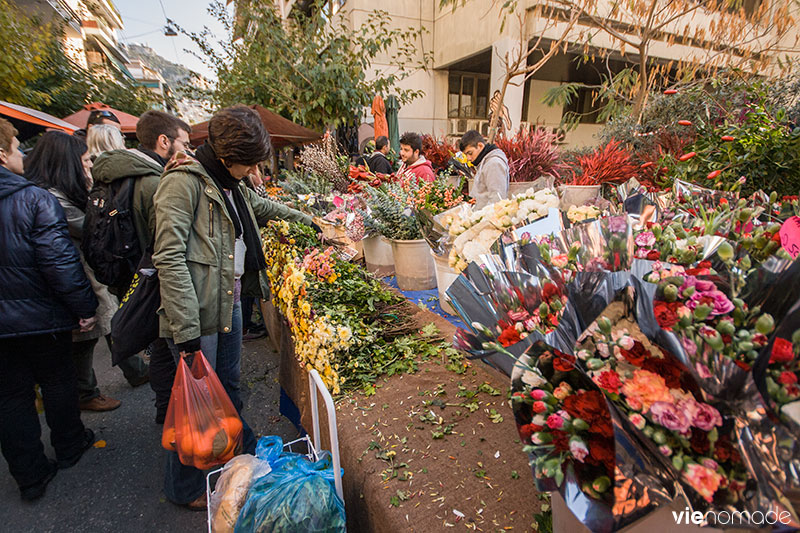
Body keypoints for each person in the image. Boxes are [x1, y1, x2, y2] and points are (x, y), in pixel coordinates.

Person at [152, 105, 318, 509]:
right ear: (228, 157)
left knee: (227, 387)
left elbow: (261, 209)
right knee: (197, 407)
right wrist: (187, 329)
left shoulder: (227, 182)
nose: (252, 170)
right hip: (199, 311)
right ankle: (186, 487)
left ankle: (232, 455)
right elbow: (169, 257)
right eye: (249, 163)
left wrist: (307, 219)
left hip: (229, 301)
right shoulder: (184, 183)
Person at [0, 119, 97, 501]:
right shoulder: (33, 199)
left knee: (10, 397)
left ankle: (31, 476)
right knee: (58, 381)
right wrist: (84, 306)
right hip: (41, 315)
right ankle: (71, 445)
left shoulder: (34, 196)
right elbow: (60, 263)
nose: (21, 154)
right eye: (15, 147)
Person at [25, 131, 151, 411]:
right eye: (82, 161)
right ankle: (86, 392)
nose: (87, 166)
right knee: (88, 333)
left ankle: (132, 371)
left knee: (107, 322)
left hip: (84, 273)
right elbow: (90, 228)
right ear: (64, 162)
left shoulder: (61, 191)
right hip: (74, 275)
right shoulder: (51, 198)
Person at [92, 109, 192, 424]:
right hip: (153, 281)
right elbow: (166, 244)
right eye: (184, 144)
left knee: (159, 349)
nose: (187, 151)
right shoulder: (154, 180)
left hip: (127, 277)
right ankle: (179, 417)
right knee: (170, 351)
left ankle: (166, 411)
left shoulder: (115, 173)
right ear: (164, 141)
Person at [459, 130, 509, 209]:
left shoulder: (494, 164)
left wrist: (481, 218)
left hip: (486, 219)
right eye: (466, 155)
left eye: (470, 153)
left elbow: (497, 199)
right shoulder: (484, 162)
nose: (468, 158)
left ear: (480, 146)